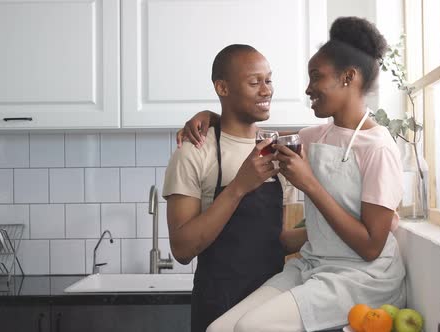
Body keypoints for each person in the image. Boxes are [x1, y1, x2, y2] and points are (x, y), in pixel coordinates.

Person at [179, 17, 406, 332]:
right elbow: (252, 132)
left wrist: (309, 184)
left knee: (249, 327)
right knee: (218, 329)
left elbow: (370, 247)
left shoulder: (378, 147)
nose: (308, 88)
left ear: (348, 77)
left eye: (316, 77)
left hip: (361, 276)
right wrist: (213, 115)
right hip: (313, 266)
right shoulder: (315, 136)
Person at [162, 44, 300, 332]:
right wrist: (239, 187)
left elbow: (280, 239)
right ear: (222, 87)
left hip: (271, 305)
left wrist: (333, 234)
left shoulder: (277, 151)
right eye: (254, 82)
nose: (267, 90)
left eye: (269, 80)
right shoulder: (195, 152)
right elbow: (183, 248)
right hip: (217, 305)